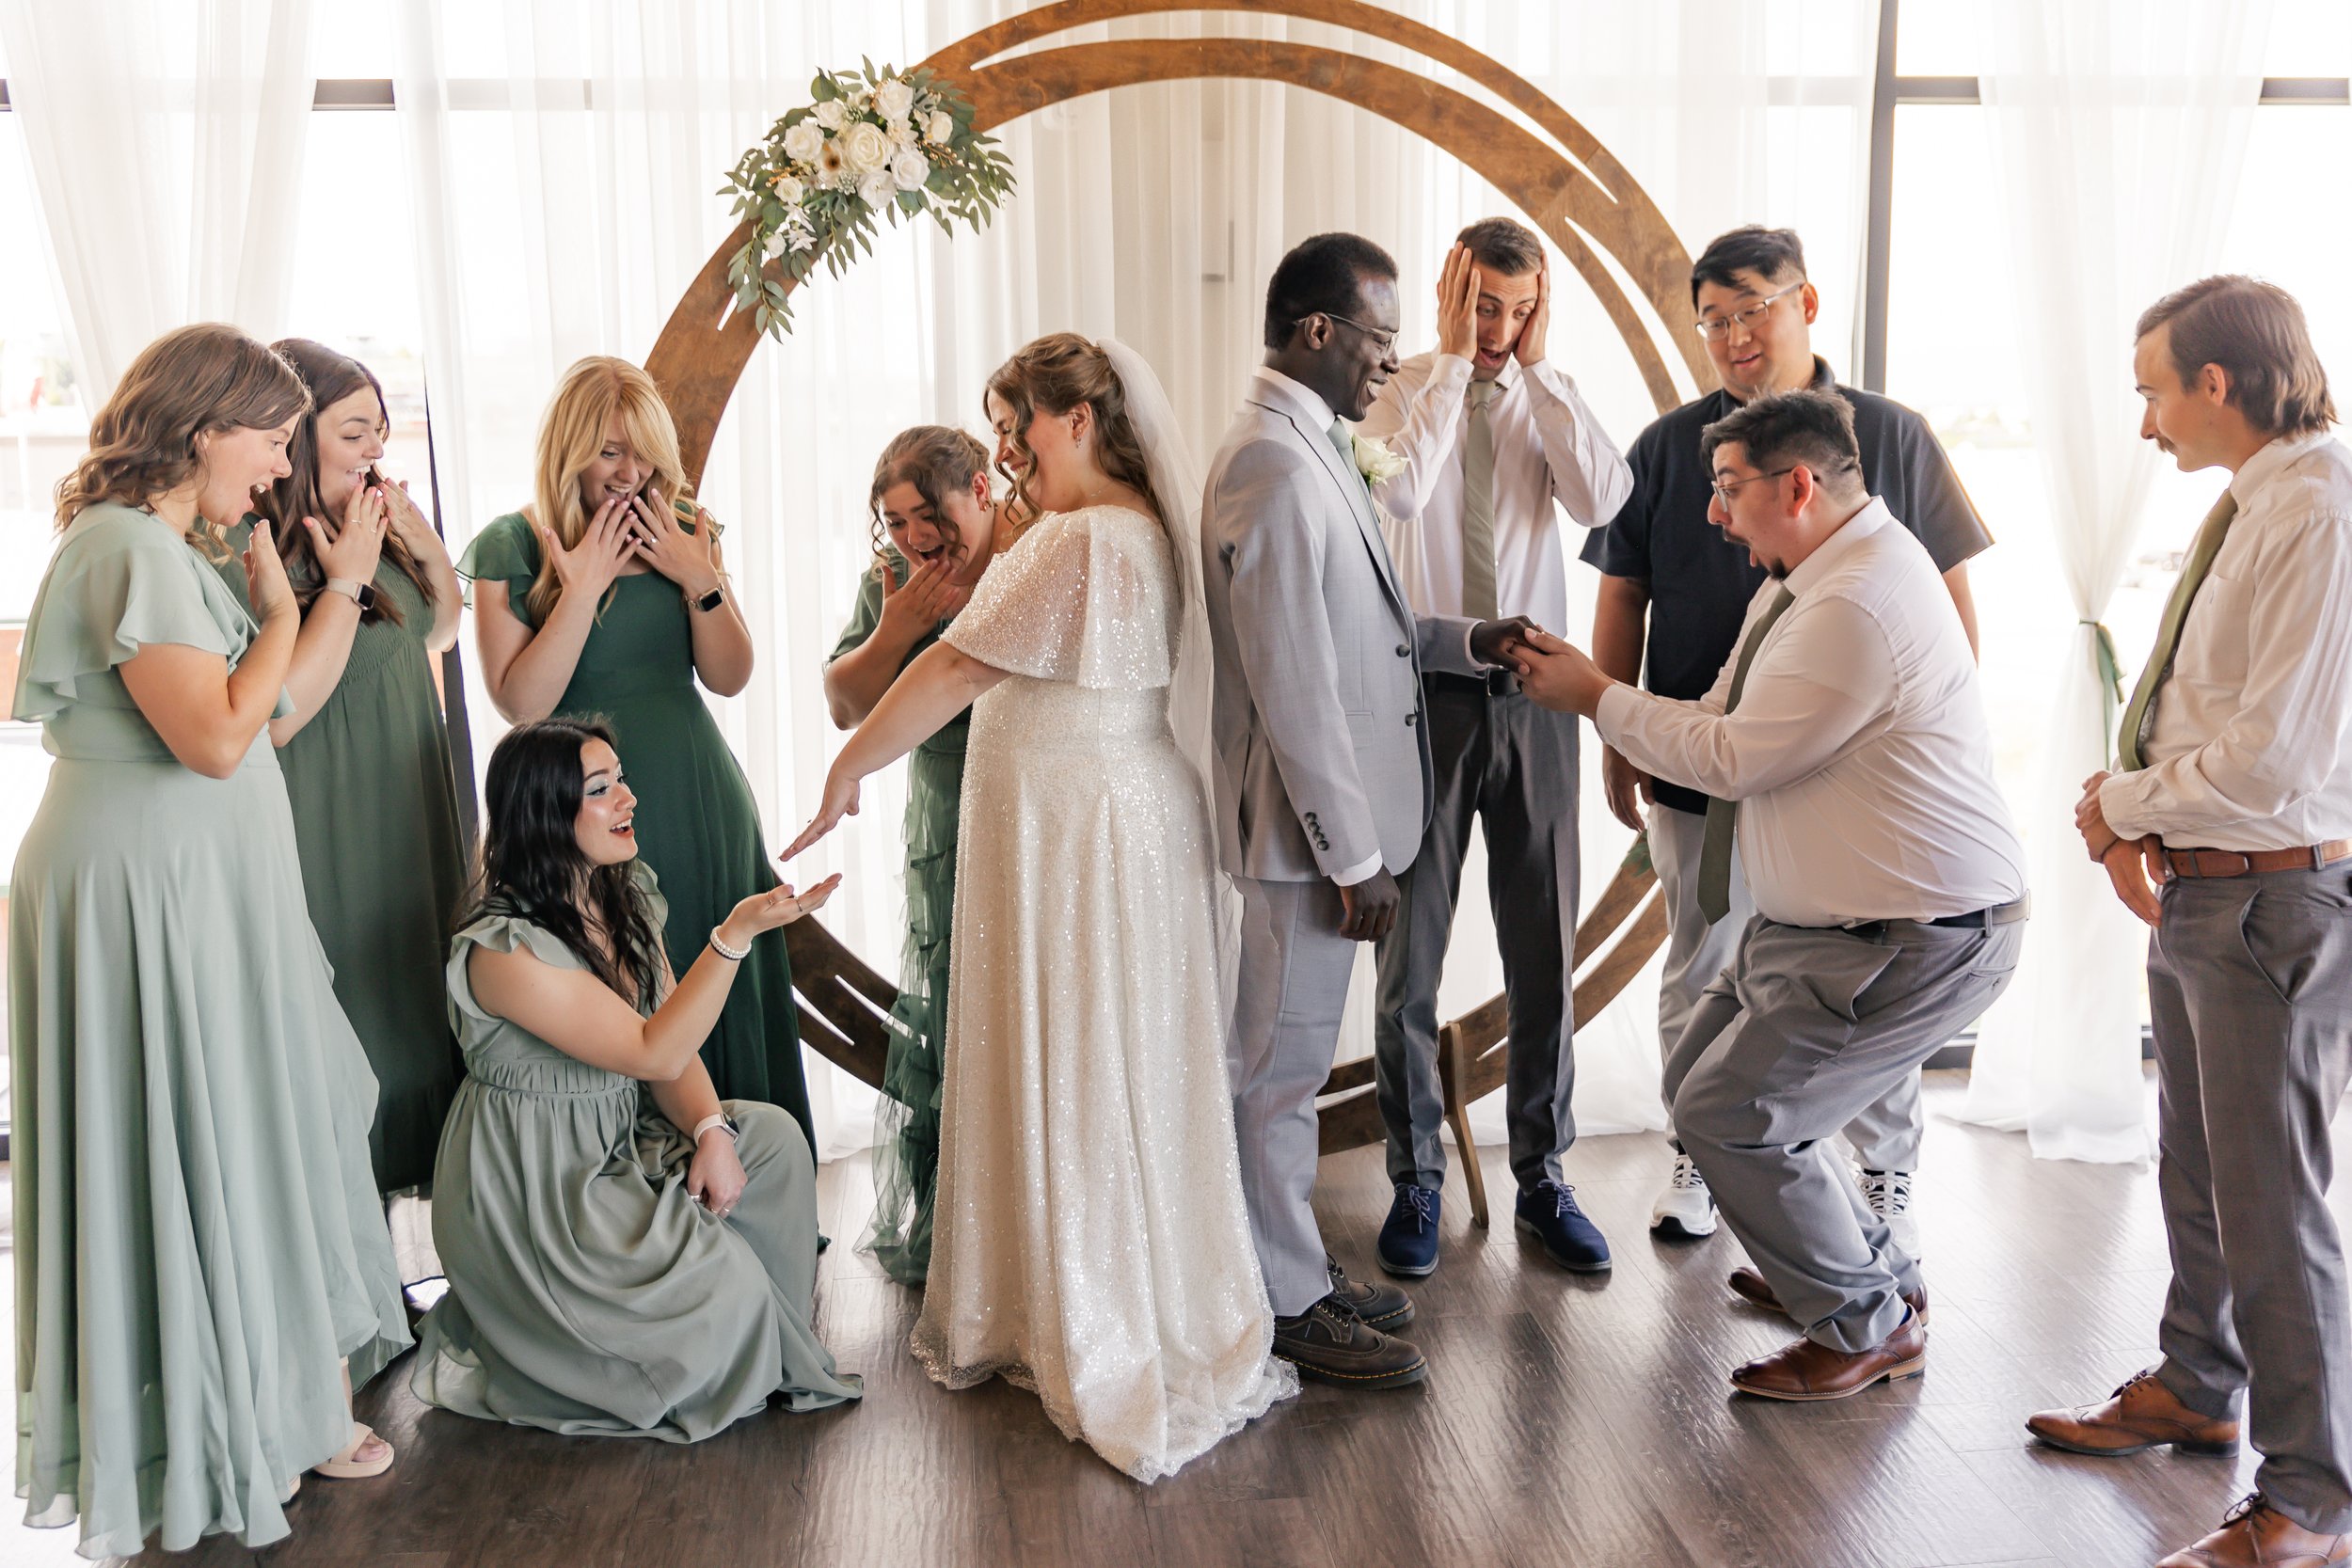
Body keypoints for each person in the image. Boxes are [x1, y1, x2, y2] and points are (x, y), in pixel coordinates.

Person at [784, 334, 1295, 1482]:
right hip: (1106, 814)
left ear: (1077, 419)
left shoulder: (1076, 538)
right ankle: (1095, 1279)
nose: (1006, 449)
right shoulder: (1139, 530)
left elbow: (956, 669)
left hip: (1075, 824)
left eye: (1017, 426)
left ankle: (1083, 1300)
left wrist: (846, 769)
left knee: (1074, 1050)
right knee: (1113, 1053)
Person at [1515, 388, 2026, 1402]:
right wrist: (1614, 702)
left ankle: (1862, 1320)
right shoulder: (1810, 574)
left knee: (1736, 1112)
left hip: (1914, 932)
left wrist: (1595, 698)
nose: (1712, 513)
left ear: (1797, 485)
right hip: (1826, 921)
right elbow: (1719, 708)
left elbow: (1737, 757)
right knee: (1704, 1080)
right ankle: (1861, 1271)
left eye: (1727, 488)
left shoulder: (1856, 602)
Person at [9, 324, 409, 1557]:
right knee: (192, 1134)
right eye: (274, 434)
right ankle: (209, 1421)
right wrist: (287, 598)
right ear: (199, 424)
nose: (284, 461)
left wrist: (327, 589)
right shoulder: (126, 544)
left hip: (200, 881)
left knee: (251, 1125)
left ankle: (262, 1404)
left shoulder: (178, 547)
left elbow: (270, 714)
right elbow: (218, 738)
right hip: (148, 888)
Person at [1579, 225, 1994, 1252]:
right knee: (1705, 966)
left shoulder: (1890, 435)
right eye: (1712, 320)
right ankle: (1703, 1152)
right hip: (1698, 760)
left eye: (1751, 309)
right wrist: (1617, 733)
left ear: (1805, 304)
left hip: (1843, 778)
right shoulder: (1669, 445)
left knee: (1855, 985)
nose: (1732, 335)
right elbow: (1622, 588)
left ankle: (1880, 1176)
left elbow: (1948, 611)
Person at [2029, 277, 2352, 1568]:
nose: (2149, 422)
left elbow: (2273, 757)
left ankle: (2316, 1497)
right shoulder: (2254, 501)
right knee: (2202, 1171)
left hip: (2273, 893)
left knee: (2276, 1205)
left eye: (2155, 389)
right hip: (2212, 889)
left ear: (2218, 382)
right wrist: (2138, 818)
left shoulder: (2320, 512)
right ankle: (2198, 1383)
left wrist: (2118, 798)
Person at [1200, 232, 1534, 1388]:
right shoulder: (1275, 465)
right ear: (1317, 333)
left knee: (1278, 1071)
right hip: (1303, 842)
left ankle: (1289, 1268)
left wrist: (1462, 638)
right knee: (1275, 1077)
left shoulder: (1314, 449)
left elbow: (1359, 631)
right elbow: (1295, 682)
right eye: (1380, 341)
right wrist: (1355, 858)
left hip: (1321, 835)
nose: (1391, 365)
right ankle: (1282, 1299)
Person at [410, 718, 860, 1440]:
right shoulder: (504, 949)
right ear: (546, 813)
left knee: (768, 1140)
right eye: (602, 787)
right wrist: (732, 937)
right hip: (540, 1188)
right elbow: (655, 1047)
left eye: (620, 777)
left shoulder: (622, 895)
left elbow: (667, 1041)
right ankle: (715, 1327)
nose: (629, 797)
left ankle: (754, 1336)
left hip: (617, 1136)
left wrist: (712, 1130)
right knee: (727, 1294)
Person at [1359, 215, 1632, 1278]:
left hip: (1536, 694)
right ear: (1448, 290)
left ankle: (1542, 1176)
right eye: (1484, 306)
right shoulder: (1395, 391)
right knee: (1407, 962)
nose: (1498, 330)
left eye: (1518, 311)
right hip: (1420, 694)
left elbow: (1605, 503)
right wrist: (1442, 366)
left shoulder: (1542, 395)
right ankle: (1415, 1177)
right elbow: (1396, 496)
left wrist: (1542, 370)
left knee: (1542, 955)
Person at [463, 357, 813, 1146]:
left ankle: (745, 1169)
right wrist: (581, 588)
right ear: (568, 449)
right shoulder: (511, 544)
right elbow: (521, 702)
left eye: (645, 451)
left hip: (694, 790)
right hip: (581, 807)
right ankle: (641, 1193)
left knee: (716, 965)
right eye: (610, 452)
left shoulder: (685, 523)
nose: (633, 473)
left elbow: (731, 676)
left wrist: (700, 578)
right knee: (628, 989)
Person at [214, 338, 469, 1197]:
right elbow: (278, 716)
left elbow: (435, 633)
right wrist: (345, 582)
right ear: (295, 434)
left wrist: (424, 548)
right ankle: (360, 1286)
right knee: (359, 1024)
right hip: (329, 814)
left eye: (381, 432)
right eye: (355, 430)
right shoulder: (257, 558)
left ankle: (433, 1249)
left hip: (412, 806)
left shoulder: (371, 533)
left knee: (425, 1006)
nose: (375, 450)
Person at [821, 426, 1005, 1286]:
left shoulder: (1026, 550)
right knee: (952, 998)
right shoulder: (888, 584)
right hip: (943, 799)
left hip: (1026, 785)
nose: (910, 536)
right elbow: (844, 704)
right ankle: (953, 1218)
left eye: (923, 515)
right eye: (892, 522)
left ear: (976, 487)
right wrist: (895, 625)